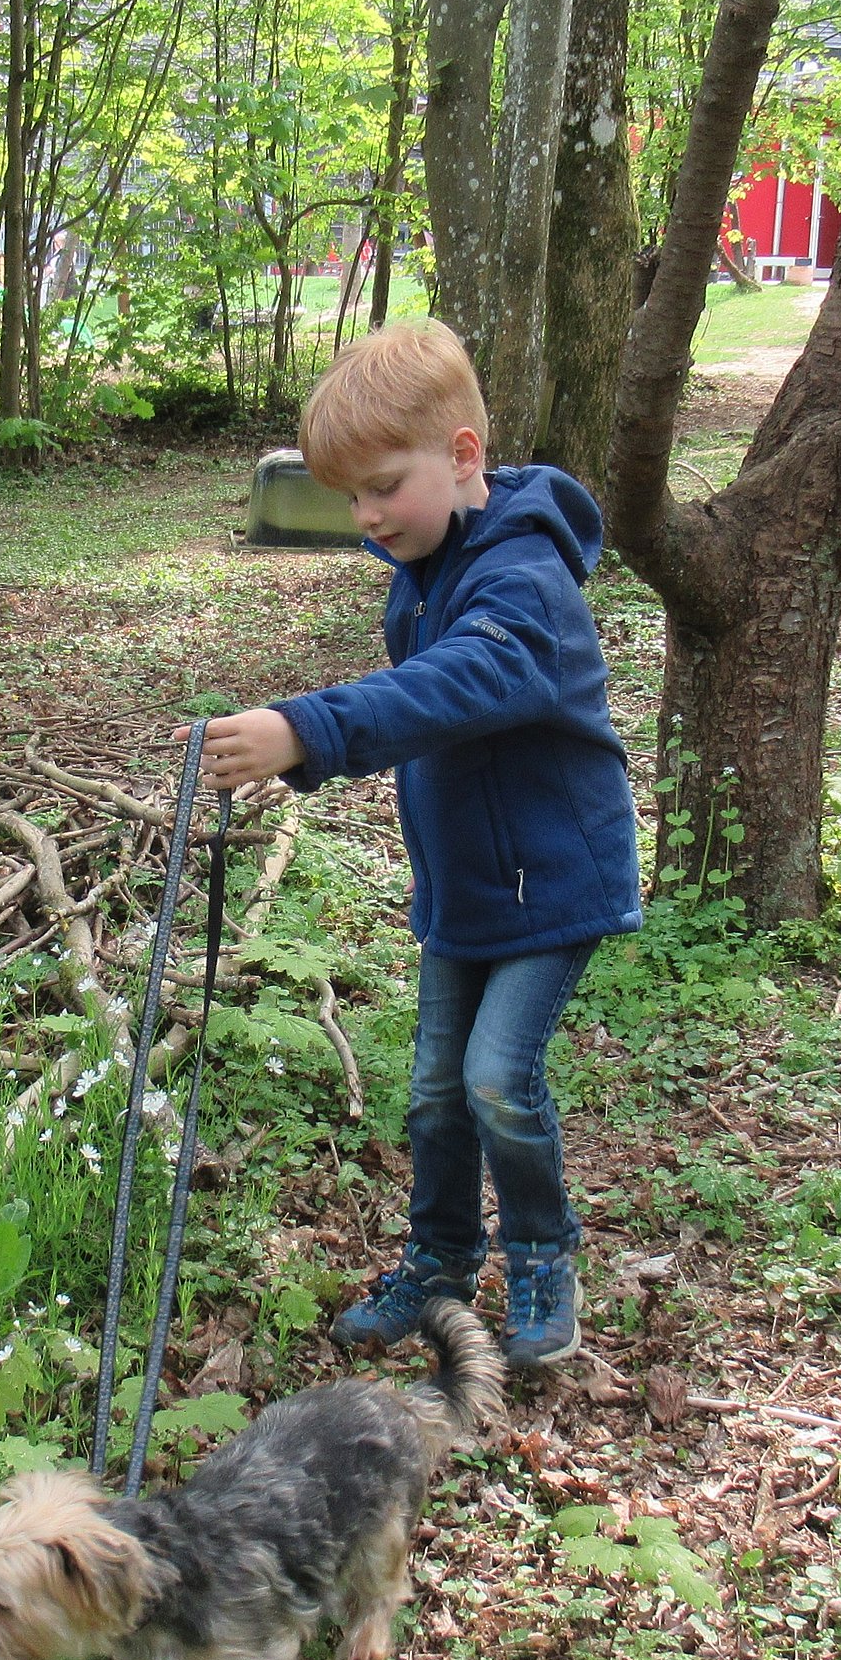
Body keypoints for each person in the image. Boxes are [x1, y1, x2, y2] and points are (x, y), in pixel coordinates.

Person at [184, 320, 641, 1368]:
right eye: (352, 497)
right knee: (436, 1091)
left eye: (383, 487)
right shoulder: (428, 559)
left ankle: (543, 1257)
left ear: (463, 454)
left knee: (495, 1078)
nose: (366, 517)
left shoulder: (524, 579)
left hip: (552, 884)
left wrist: (307, 729)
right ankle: (439, 1261)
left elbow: (458, 684)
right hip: (465, 886)